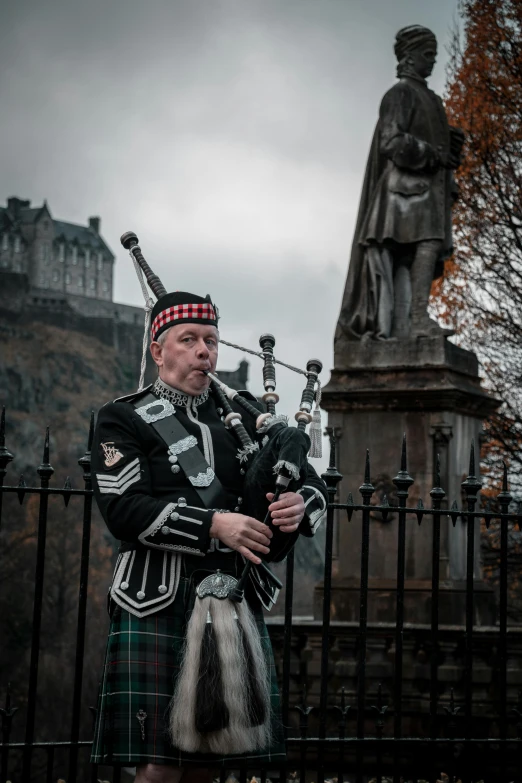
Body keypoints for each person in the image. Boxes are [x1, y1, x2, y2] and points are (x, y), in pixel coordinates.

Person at [90, 290, 327, 783]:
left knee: (210, 762)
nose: (205, 351)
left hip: (232, 597)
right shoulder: (124, 417)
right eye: (190, 340)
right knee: (160, 765)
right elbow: (123, 509)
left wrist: (300, 503)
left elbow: (312, 482)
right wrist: (214, 524)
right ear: (158, 350)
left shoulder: (239, 420)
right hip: (156, 597)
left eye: (212, 341)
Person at [335, 25, 464, 342]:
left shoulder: (431, 99)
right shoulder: (400, 94)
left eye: (434, 55)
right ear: (409, 56)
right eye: (427, 54)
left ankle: (413, 318)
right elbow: (391, 141)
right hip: (403, 193)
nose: (432, 61)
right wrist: (432, 153)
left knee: (423, 250)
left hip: (423, 193)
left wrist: (451, 149)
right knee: (425, 245)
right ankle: (415, 319)